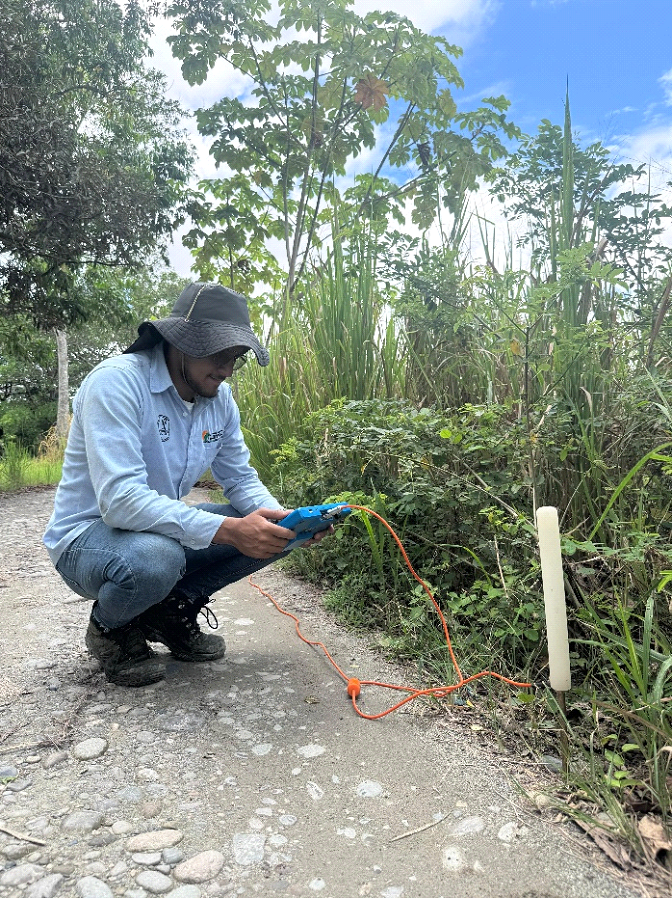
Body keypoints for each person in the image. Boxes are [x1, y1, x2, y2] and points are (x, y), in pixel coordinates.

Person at [43, 282, 327, 688]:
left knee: (271, 531)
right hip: (86, 538)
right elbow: (120, 502)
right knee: (157, 557)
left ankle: (166, 612)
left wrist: (287, 521)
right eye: (218, 355)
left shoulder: (220, 400)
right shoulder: (117, 383)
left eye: (235, 359)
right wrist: (229, 530)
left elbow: (241, 479)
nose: (226, 370)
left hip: (152, 532)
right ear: (180, 342)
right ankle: (110, 630)